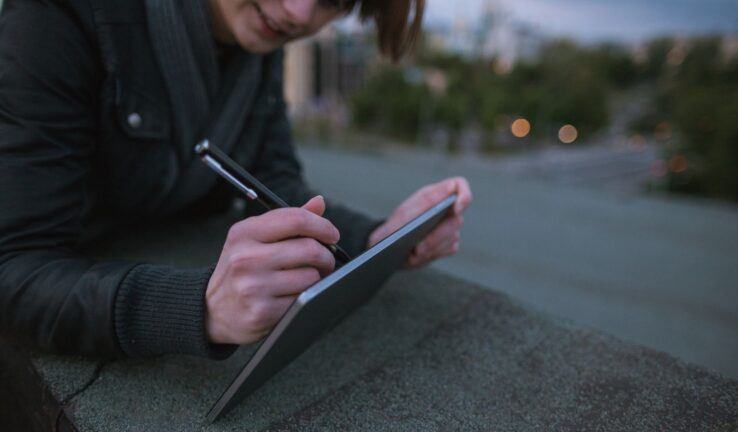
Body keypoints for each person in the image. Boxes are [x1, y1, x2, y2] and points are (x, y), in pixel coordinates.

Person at [0, 0, 472, 359]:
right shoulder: (60, 15)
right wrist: (199, 309)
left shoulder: (259, 44)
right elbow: (14, 268)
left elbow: (274, 183)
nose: (297, 12)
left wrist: (377, 236)